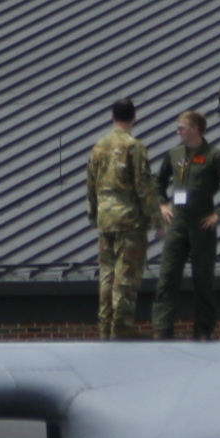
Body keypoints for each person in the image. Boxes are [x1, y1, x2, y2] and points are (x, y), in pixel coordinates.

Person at [151, 109, 220, 340]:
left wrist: (218, 213)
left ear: (195, 129)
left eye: (181, 127)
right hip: (177, 223)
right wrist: (162, 205)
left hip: (202, 224)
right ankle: (162, 329)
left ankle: (203, 330)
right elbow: (157, 182)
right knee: (167, 277)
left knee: (203, 279)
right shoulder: (174, 154)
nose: (178, 131)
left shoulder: (214, 156)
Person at [84, 98, 164, 338]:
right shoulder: (134, 146)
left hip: (105, 220)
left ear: (112, 117)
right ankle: (122, 328)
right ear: (134, 118)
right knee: (126, 275)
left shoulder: (98, 146)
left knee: (107, 275)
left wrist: (94, 214)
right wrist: (156, 220)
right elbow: (143, 186)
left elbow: (90, 184)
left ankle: (104, 327)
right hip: (129, 221)